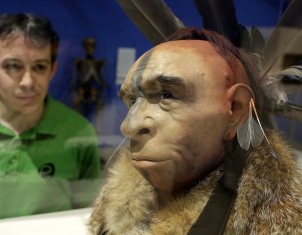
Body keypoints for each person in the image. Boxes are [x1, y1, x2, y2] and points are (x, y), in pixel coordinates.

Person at [88, 27, 302, 234]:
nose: (129, 126)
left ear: (235, 109)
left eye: (166, 94)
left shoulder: (280, 221)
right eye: (132, 100)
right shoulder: (112, 212)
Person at [0, 13, 101, 224]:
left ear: (52, 70)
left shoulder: (78, 130)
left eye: (39, 67)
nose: (27, 82)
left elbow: (85, 204)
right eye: (13, 66)